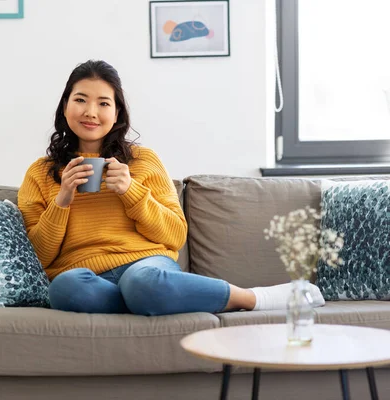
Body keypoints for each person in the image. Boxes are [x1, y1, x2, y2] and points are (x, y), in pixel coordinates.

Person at [17, 60, 325, 315]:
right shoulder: (40, 173)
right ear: (65, 105)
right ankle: (150, 303)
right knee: (64, 289)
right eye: (80, 99)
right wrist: (63, 199)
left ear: (117, 113)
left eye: (103, 103)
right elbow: (40, 257)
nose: (90, 112)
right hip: (85, 278)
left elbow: (175, 236)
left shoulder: (144, 161)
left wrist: (132, 192)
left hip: (146, 266)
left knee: (142, 283)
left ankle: (250, 298)